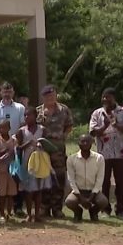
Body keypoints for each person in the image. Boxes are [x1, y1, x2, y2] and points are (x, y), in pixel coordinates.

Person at [89, 88, 123, 218]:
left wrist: (116, 124)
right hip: (103, 154)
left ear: (114, 98)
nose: (105, 100)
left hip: (121, 154)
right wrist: (105, 125)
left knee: (121, 183)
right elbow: (92, 132)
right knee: (104, 183)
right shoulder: (97, 113)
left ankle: (121, 210)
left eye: (107, 97)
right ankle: (105, 209)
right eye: (103, 97)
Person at [37, 84, 74, 218]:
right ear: (43, 97)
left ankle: (57, 208)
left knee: (59, 178)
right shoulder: (38, 111)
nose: (50, 98)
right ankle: (44, 207)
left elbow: (69, 126)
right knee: (44, 177)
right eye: (48, 96)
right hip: (43, 150)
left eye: (52, 96)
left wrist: (63, 137)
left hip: (58, 149)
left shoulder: (64, 110)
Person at [16, 109, 52, 223]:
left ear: (35, 116)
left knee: (38, 189)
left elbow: (48, 145)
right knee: (28, 191)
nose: (27, 117)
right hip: (27, 163)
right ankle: (29, 214)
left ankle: (37, 214)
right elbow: (18, 148)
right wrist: (29, 143)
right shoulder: (21, 131)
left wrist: (42, 145)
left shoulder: (42, 130)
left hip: (40, 162)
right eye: (25, 115)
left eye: (29, 115)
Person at [65, 134, 109, 222]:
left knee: (103, 201)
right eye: (82, 141)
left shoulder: (99, 158)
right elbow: (71, 180)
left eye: (87, 141)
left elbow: (100, 179)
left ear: (92, 143)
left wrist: (92, 196)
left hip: (93, 191)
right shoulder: (71, 159)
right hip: (78, 191)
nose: (85, 143)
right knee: (69, 201)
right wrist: (81, 198)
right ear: (78, 143)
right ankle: (78, 213)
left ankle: (93, 212)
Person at [0, 120, 18, 222]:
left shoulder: (13, 140)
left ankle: (9, 213)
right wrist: (4, 152)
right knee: (1, 193)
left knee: (11, 193)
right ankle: (2, 213)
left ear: (9, 128)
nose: (2, 130)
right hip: (1, 170)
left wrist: (12, 153)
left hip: (12, 170)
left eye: (5, 127)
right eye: (0, 128)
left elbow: (16, 153)